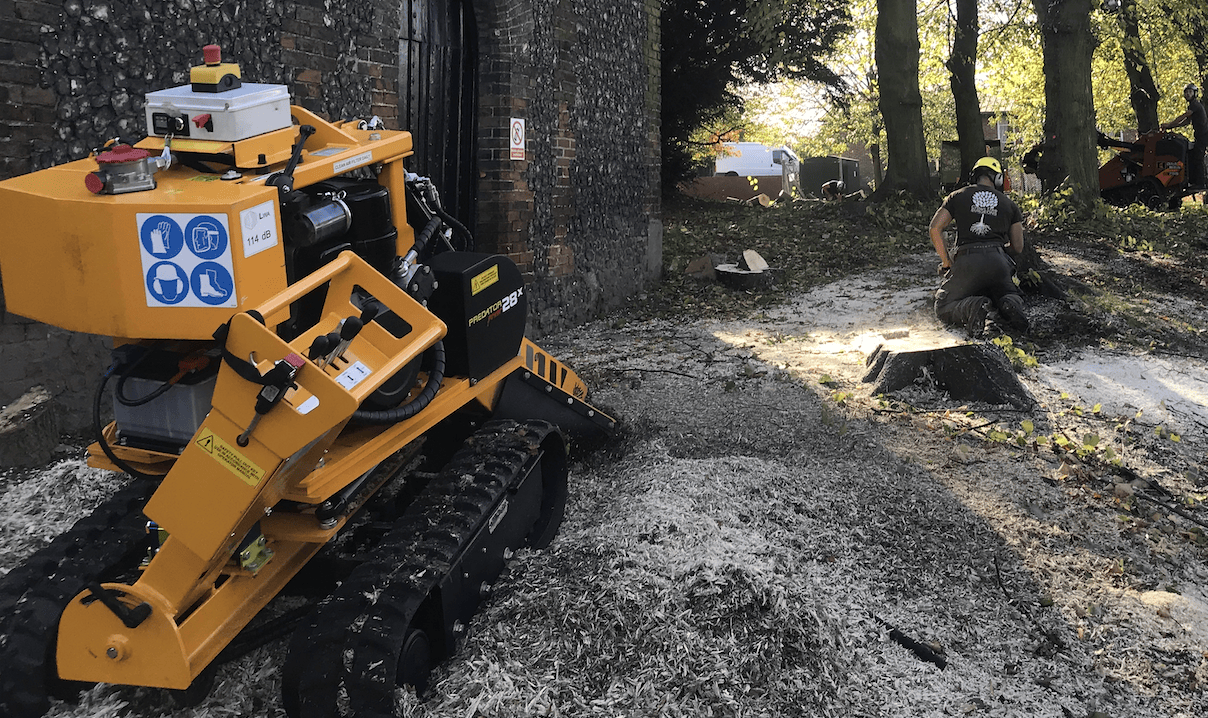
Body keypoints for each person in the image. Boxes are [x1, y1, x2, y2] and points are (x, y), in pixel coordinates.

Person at [928, 156, 1029, 338]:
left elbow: (935, 228)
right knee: (1007, 293)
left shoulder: (957, 196)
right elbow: (1018, 247)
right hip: (999, 262)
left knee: (942, 306)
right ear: (997, 178)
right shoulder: (1009, 204)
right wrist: (996, 254)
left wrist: (947, 262)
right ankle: (1010, 302)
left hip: (967, 261)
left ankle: (971, 307)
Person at [1160, 82, 1208, 190]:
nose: (1187, 94)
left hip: (1203, 135)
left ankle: (1200, 183)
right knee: (1194, 155)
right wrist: (1172, 126)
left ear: (1195, 93)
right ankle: (1194, 181)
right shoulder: (1193, 105)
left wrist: (1169, 124)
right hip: (1200, 136)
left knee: (1198, 158)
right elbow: (1186, 122)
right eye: (1186, 92)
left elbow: (1184, 116)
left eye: (1190, 92)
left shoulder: (1195, 104)